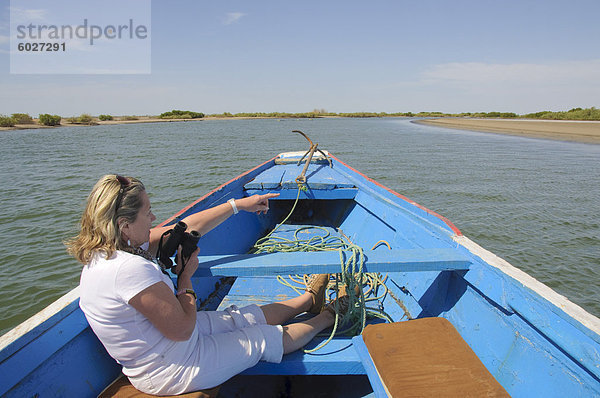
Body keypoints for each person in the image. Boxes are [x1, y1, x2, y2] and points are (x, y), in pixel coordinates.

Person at [66, 175, 347, 395]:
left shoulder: (107, 253)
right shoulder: (128, 270)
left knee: (244, 317)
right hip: (170, 368)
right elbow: (182, 329)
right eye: (148, 212)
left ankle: (310, 299)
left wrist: (238, 205)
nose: (153, 219)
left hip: (167, 346)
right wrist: (185, 277)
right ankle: (329, 316)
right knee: (260, 339)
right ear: (124, 225)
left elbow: (183, 227)